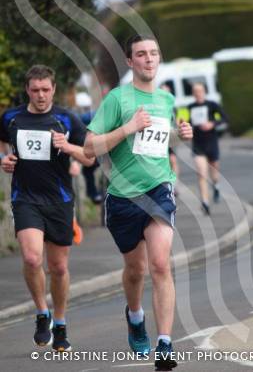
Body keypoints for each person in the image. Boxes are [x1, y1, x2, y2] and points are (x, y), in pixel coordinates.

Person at [84, 34, 192, 370]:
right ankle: (135, 316)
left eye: (154, 53)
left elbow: (159, 141)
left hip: (159, 190)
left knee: (161, 265)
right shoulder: (117, 99)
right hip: (122, 198)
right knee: (136, 270)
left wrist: (179, 134)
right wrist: (128, 128)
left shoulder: (165, 100)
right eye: (141, 54)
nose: (148, 59)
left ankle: (164, 343)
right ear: (130, 62)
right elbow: (89, 148)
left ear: (159, 59)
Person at [0, 65, 94, 352]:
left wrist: (68, 147)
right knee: (30, 258)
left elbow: (90, 158)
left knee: (59, 266)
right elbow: (3, 145)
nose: (40, 95)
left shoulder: (67, 119)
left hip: (59, 201)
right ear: (27, 90)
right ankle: (42, 313)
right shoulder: (11, 117)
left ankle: (61, 321)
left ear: (53, 89)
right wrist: (4, 159)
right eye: (35, 90)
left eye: (45, 89)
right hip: (26, 198)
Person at [188, 82, 228, 215]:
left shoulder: (212, 105)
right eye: (195, 91)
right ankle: (205, 202)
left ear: (204, 91)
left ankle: (216, 185)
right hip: (198, 144)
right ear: (193, 93)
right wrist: (184, 124)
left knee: (214, 169)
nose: (198, 93)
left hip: (211, 142)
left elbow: (225, 118)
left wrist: (212, 124)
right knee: (201, 173)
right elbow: (187, 122)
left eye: (200, 90)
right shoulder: (190, 107)